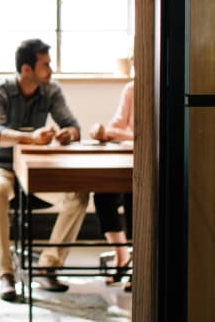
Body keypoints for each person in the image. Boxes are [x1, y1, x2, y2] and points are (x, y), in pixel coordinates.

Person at [0, 38, 85, 300]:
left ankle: (49, 266)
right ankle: (5, 274)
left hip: (37, 167)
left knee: (77, 196)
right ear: (27, 70)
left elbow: (73, 126)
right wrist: (32, 137)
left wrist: (66, 134)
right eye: (45, 65)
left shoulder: (51, 91)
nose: (50, 70)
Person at [89, 80, 134, 288]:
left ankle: (141, 262)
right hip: (128, 158)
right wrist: (101, 132)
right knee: (103, 193)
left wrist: (121, 134)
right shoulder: (131, 89)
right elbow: (116, 127)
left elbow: (156, 134)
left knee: (137, 196)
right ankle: (122, 255)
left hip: (156, 162)